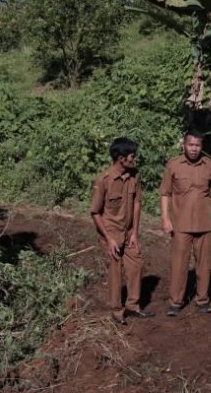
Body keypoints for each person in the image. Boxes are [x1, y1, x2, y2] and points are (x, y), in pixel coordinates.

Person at [90, 137, 155, 324]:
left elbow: (137, 202)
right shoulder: (104, 180)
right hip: (111, 233)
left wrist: (134, 232)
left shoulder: (135, 175)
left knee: (136, 264)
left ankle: (133, 306)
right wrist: (109, 239)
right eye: (132, 156)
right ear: (120, 158)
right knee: (116, 271)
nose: (134, 159)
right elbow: (95, 212)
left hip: (128, 233)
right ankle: (116, 310)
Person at [159, 129, 211, 316]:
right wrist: (165, 219)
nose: (194, 149)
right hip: (181, 224)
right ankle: (175, 302)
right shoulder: (174, 165)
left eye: (197, 145)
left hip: (204, 224)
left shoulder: (208, 165)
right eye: (190, 145)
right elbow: (165, 194)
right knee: (179, 264)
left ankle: (202, 300)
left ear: (201, 147)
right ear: (184, 145)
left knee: (204, 264)